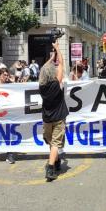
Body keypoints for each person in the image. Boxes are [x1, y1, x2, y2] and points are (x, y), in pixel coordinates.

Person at [39, 41, 69, 181]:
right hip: (58, 117)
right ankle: (51, 169)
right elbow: (62, 64)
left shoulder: (42, 86)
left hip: (47, 118)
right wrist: (57, 50)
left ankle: (56, 161)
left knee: (51, 142)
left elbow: (44, 68)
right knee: (56, 143)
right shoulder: (57, 84)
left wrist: (52, 57)